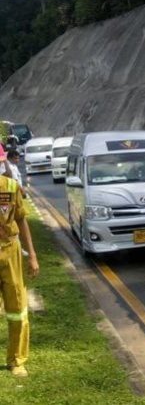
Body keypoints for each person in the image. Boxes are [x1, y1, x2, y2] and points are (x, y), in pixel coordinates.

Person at [0, 145, 39, 377]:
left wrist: (32, 255)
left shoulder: (11, 187)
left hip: (11, 251)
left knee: (17, 308)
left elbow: (22, 221)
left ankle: (17, 360)